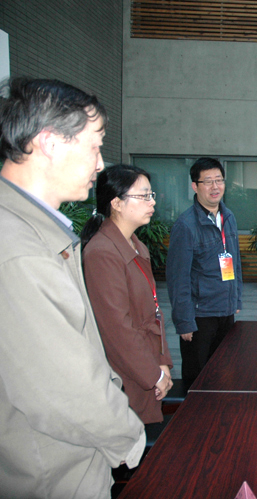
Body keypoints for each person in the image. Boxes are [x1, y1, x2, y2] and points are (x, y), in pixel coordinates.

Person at [0, 77, 145, 497]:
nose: (100, 164)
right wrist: (130, 437)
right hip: (54, 473)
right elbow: (64, 390)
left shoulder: (32, 229)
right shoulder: (19, 248)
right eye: (94, 146)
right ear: (49, 142)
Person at [81, 164, 174, 425]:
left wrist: (162, 362)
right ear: (116, 203)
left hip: (146, 362)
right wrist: (153, 375)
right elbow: (116, 329)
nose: (152, 202)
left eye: (151, 195)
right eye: (143, 196)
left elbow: (154, 311)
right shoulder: (102, 252)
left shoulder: (136, 245)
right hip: (125, 373)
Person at [166, 157, 242, 389]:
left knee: (224, 374)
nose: (215, 186)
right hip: (200, 317)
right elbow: (177, 278)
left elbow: (235, 263)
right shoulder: (186, 225)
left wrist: (236, 298)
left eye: (219, 180)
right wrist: (184, 322)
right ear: (195, 186)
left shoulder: (228, 217)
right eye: (208, 181)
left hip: (225, 311)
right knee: (197, 380)